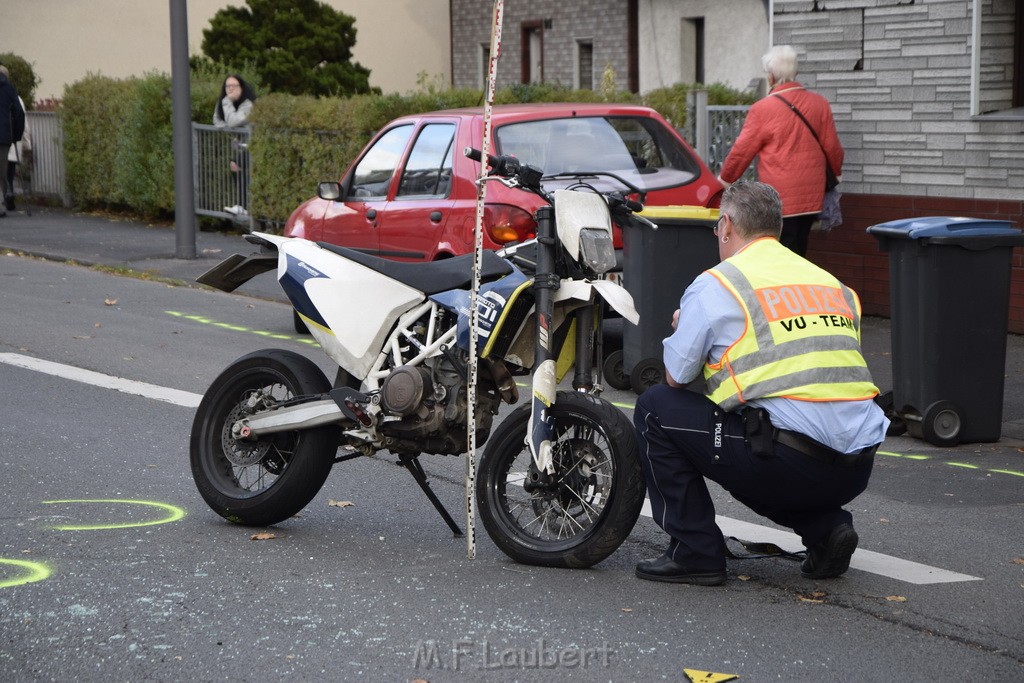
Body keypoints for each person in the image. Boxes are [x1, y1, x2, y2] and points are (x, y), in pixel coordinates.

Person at [632, 181, 888, 587]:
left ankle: (694, 552)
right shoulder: (831, 283)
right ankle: (825, 529)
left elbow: (676, 376)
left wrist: (684, 329)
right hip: (857, 466)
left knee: (655, 407)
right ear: (778, 229)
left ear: (727, 225)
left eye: (718, 228)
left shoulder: (719, 283)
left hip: (790, 463)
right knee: (757, 435)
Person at [718, 45, 843, 257]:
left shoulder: (763, 109)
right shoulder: (819, 104)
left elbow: (741, 152)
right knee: (799, 248)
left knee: (779, 252)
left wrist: (725, 179)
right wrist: (836, 174)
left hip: (780, 198)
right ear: (795, 73)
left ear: (771, 76)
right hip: (812, 195)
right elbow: (833, 148)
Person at [213, 75, 256, 216]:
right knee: (236, 166)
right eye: (227, 86)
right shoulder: (225, 103)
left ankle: (246, 206)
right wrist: (232, 124)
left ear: (241, 88)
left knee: (237, 164)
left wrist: (227, 101)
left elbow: (232, 121)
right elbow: (217, 121)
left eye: (234, 86)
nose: (230, 89)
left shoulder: (248, 104)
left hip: (254, 144)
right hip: (241, 145)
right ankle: (243, 205)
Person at [0, 64, 26, 218]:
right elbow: (19, 112)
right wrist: (15, 135)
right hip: (3, 136)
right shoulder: (8, 88)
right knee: (1, 172)